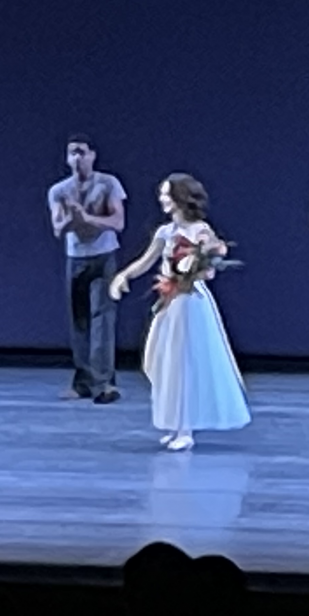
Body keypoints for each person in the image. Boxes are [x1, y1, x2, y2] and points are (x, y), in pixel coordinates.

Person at [109, 174, 250, 450]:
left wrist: (195, 266)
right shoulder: (165, 232)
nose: (161, 199)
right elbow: (147, 260)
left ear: (179, 197)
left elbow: (208, 267)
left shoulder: (200, 230)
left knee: (183, 366)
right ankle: (175, 423)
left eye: (166, 194)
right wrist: (123, 276)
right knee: (159, 361)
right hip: (170, 304)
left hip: (189, 305)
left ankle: (185, 429)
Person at [47, 134, 125, 403]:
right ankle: (83, 381)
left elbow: (118, 221)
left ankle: (104, 384)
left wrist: (87, 217)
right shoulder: (59, 190)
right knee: (78, 320)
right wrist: (73, 216)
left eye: (82, 152)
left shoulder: (108, 183)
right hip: (75, 258)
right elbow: (58, 229)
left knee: (102, 319)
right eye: (72, 153)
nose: (77, 158)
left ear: (92, 155)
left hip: (103, 257)